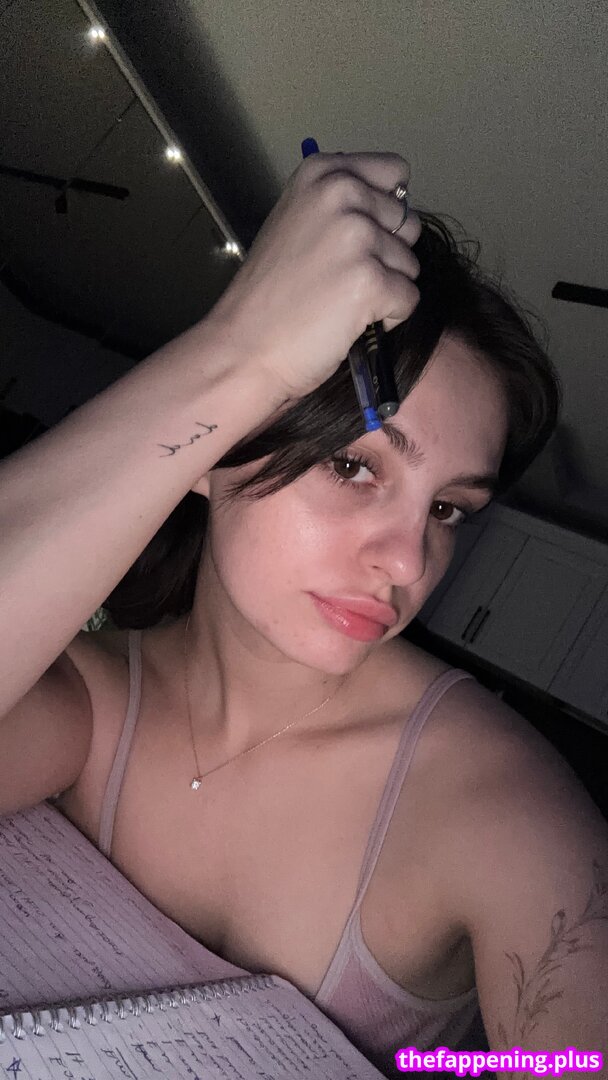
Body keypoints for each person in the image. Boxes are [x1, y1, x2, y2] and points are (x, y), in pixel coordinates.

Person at [0, 152, 606, 1078]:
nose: (409, 561)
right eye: (356, 465)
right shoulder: (89, 702)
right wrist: (236, 352)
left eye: (448, 510)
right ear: (211, 443)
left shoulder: (504, 810)